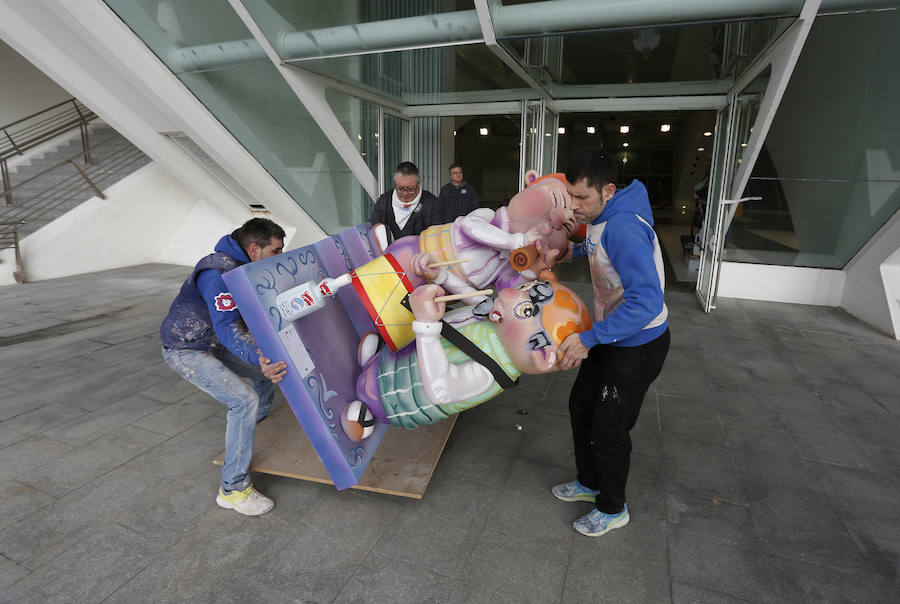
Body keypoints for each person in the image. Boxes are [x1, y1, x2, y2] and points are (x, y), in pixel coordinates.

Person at [555, 149, 670, 538]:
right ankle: (588, 482)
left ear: (608, 190)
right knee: (581, 404)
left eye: (581, 198)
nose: (574, 206)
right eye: (570, 195)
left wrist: (590, 338)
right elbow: (596, 248)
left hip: (638, 343)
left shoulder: (624, 227)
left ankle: (612, 506)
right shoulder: (604, 218)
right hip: (611, 332)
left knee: (610, 426)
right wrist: (568, 249)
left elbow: (647, 300)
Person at [340, 276, 593, 441]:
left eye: (526, 310)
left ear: (540, 354)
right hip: (400, 359)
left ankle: (366, 415)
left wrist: (426, 324)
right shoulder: (495, 318)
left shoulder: (489, 373)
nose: (510, 294)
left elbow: (440, 390)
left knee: (380, 389)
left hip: (394, 395)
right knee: (398, 347)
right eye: (525, 289)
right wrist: (441, 276)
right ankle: (375, 361)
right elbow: (470, 295)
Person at [160, 218, 289, 516]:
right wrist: (258, 355)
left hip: (211, 341)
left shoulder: (246, 263)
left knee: (263, 378)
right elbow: (228, 326)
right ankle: (233, 489)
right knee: (244, 400)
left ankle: (251, 432)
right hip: (186, 348)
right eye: (276, 251)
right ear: (254, 249)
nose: (280, 257)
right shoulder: (218, 275)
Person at [369, 161, 443, 245]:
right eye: (400, 188)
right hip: (388, 256)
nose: (405, 193)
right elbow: (373, 231)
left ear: (418, 182)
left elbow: (437, 238)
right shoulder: (384, 202)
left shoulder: (432, 204)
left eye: (410, 189)